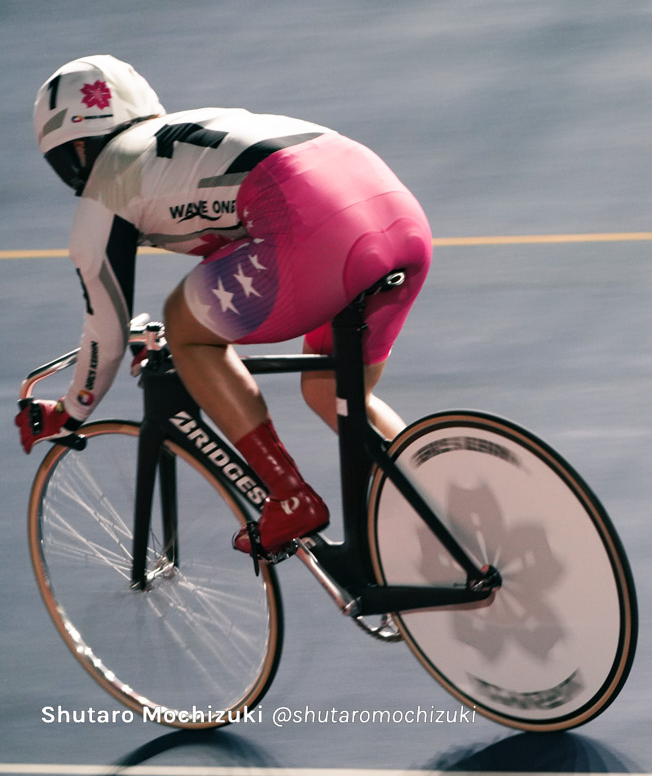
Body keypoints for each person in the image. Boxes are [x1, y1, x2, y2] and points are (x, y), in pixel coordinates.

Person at [19, 56, 433, 557]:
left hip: (315, 230)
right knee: (334, 390)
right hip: (399, 215)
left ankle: (289, 496)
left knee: (186, 326)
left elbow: (104, 335)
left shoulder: (107, 183)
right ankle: (447, 499)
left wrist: (69, 410)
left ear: (76, 149)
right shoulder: (190, 132)